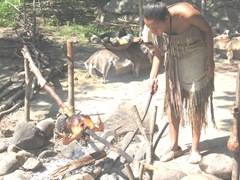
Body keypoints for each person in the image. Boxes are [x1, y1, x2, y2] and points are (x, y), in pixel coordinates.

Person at [142, 0, 215, 164]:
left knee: (196, 103)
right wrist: (152, 76)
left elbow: (208, 31)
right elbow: (158, 53)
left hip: (197, 54)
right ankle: (174, 147)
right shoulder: (154, 27)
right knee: (173, 102)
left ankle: (195, 149)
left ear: (167, 20)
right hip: (174, 57)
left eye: (155, 28)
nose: (152, 31)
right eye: (149, 28)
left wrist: (210, 58)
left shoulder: (188, 14)